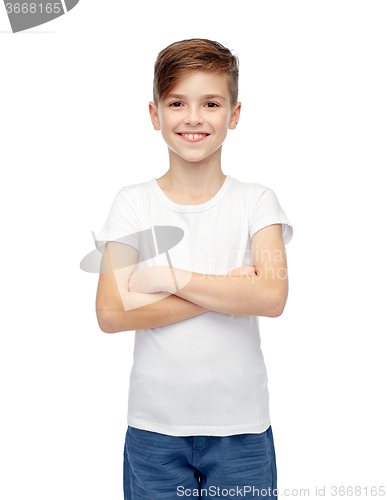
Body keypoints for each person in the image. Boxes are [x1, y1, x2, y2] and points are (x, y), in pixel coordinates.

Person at [95, 38, 293, 500]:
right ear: (154, 114)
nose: (194, 117)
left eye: (211, 103)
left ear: (235, 114)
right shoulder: (132, 203)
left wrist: (168, 278)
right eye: (177, 102)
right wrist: (227, 289)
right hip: (154, 431)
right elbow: (111, 313)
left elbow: (271, 298)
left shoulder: (257, 202)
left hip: (241, 429)